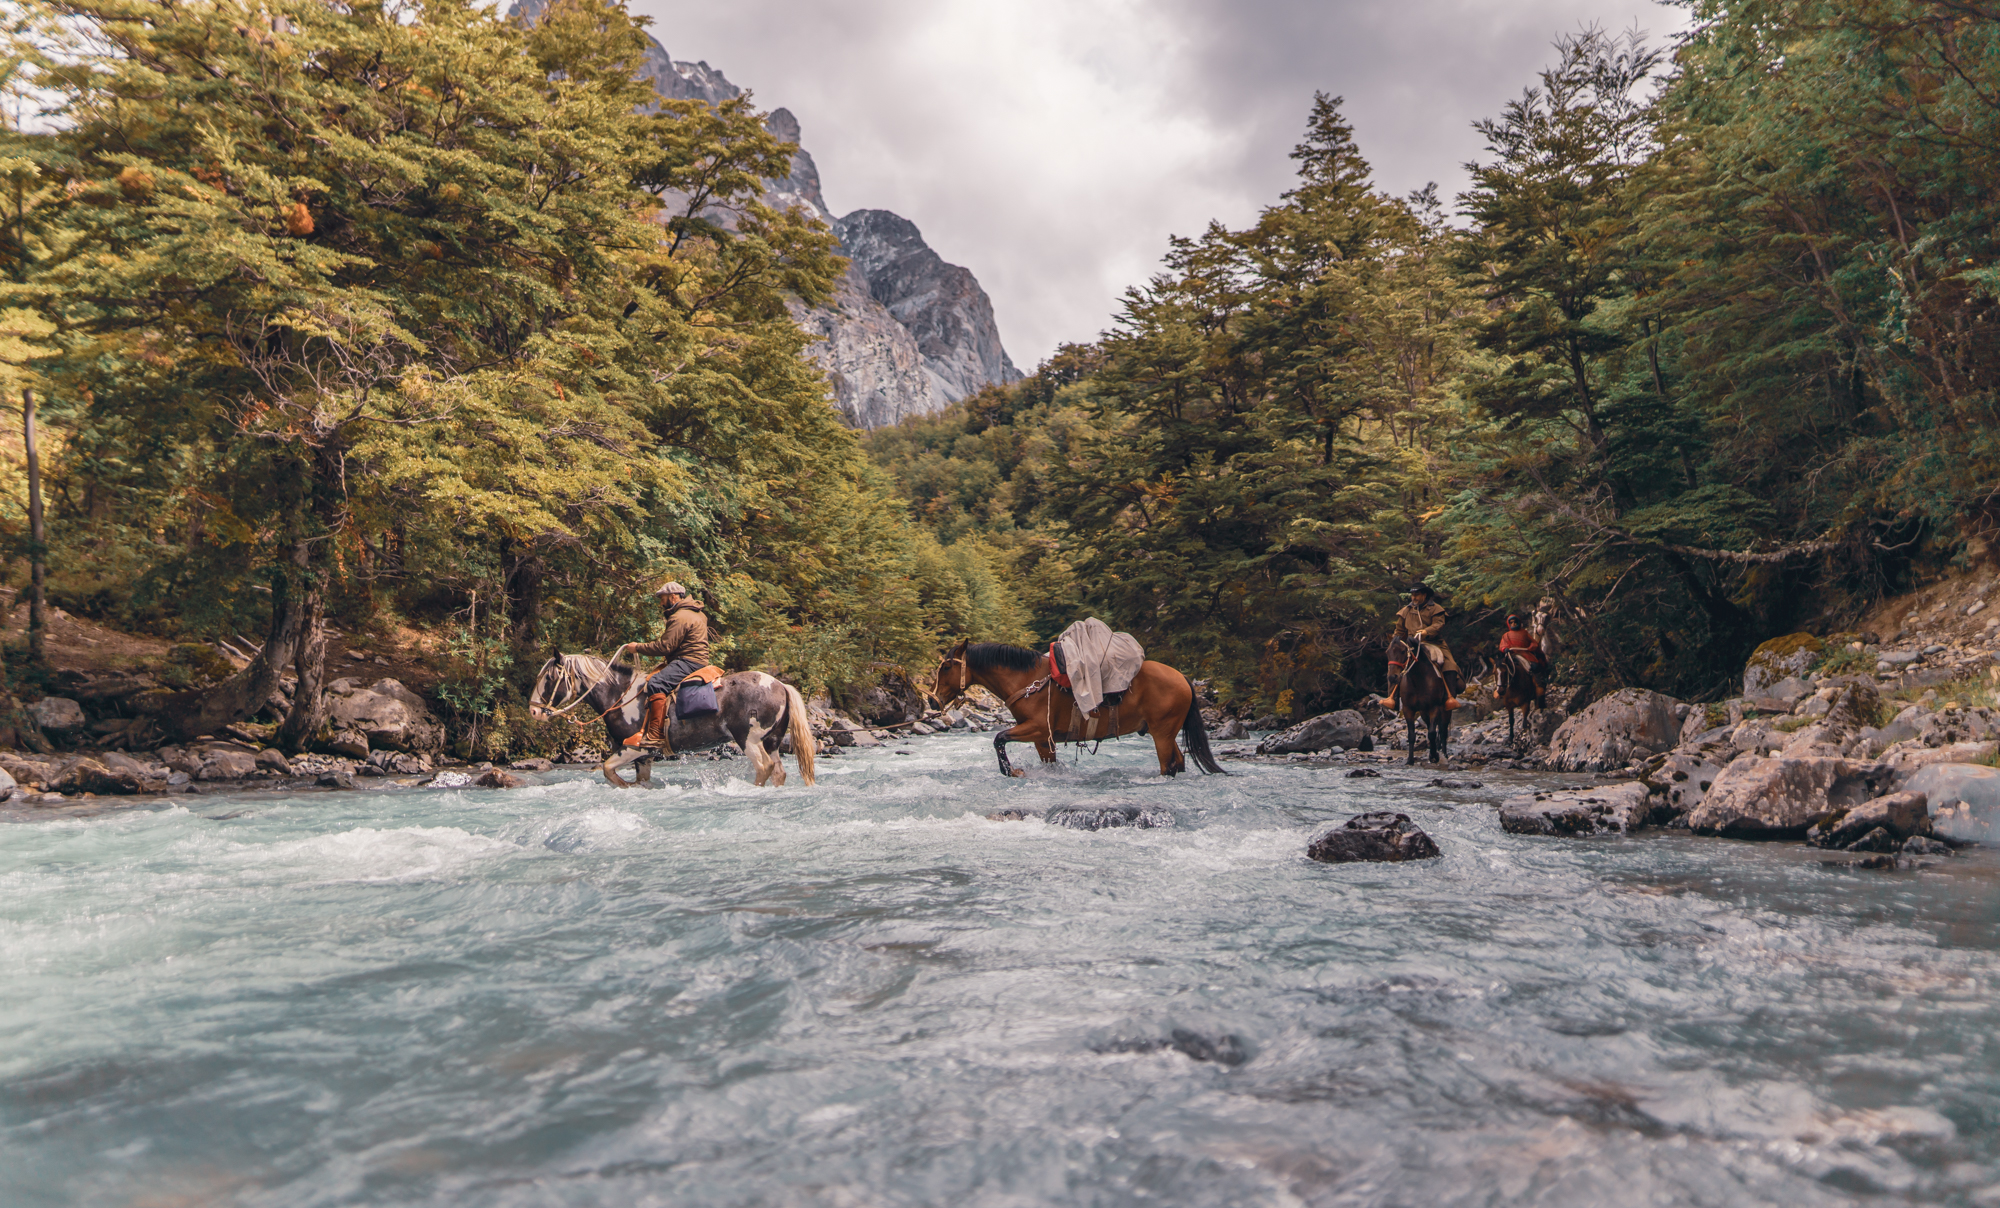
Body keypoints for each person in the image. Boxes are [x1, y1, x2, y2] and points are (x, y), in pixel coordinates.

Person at [615, 581, 710, 748]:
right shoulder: (697, 613)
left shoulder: (679, 616)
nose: (661, 603)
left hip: (688, 661)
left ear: (673, 597)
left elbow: (665, 646)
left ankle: (655, 735)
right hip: (697, 660)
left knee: (656, 683)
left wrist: (637, 648)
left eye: (663, 598)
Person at [1380, 583, 1463, 712]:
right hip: (1410, 644)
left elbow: (1439, 624)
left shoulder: (1436, 609)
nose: (1414, 597)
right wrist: (1395, 642)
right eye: (1413, 595)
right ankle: (1393, 698)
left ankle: (1449, 697)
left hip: (1434, 642)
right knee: (1394, 665)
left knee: (1450, 665)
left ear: (1424, 595)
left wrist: (1426, 631)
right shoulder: (1406, 611)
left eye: (1417, 595)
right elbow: (1399, 630)